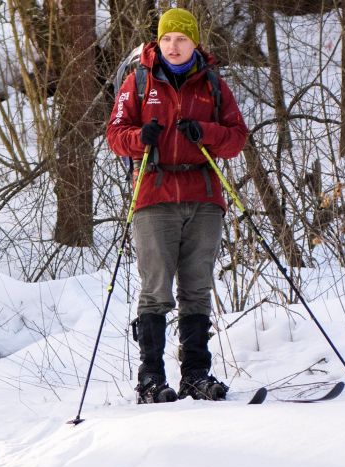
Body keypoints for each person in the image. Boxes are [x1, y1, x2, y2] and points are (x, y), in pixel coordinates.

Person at [105, 7, 248, 404]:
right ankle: (150, 377)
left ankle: (196, 375)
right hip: (154, 194)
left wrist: (206, 132)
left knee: (197, 288)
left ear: (194, 42)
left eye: (182, 39)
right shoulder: (138, 81)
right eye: (168, 38)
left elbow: (236, 138)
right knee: (155, 290)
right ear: (159, 41)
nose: (174, 45)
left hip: (203, 195)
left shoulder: (213, 84)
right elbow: (115, 134)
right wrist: (140, 137)